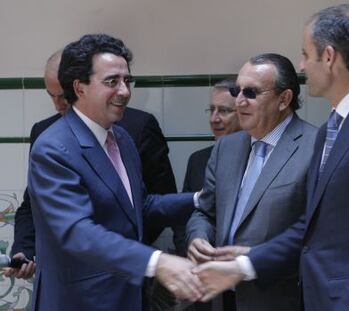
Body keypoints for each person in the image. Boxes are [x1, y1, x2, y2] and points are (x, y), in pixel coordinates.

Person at [194, 4, 349, 311]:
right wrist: (243, 267)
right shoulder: (331, 131)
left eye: (305, 54)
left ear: (328, 57)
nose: (301, 65)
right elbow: (311, 229)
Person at [27, 34, 203, 311]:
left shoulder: (121, 139)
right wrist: (156, 262)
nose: (124, 91)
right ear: (80, 87)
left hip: (128, 298)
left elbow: (138, 208)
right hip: (81, 302)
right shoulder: (53, 148)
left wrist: (199, 200)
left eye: (127, 81)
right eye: (112, 81)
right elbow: (76, 231)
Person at [6, 50, 178, 279]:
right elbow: (34, 205)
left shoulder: (133, 131)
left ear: (80, 88)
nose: (58, 105)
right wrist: (24, 249)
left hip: (127, 274)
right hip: (69, 281)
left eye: (63, 96)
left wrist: (132, 255)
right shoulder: (46, 135)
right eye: (52, 96)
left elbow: (151, 202)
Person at [187, 53, 317, 311]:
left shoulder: (315, 147)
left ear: (284, 99)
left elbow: (315, 234)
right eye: (237, 91)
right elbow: (205, 210)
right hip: (223, 298)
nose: (239, 101)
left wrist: (249, 264)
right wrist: (198, 238)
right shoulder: (226, 147)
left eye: (252, 93)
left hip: (279, 299)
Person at [182, 79, 241, 193]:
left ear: (243, 114)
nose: (214, 119)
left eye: (223, 111)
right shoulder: (197, 161)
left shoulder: (257, 159)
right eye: (212, 110)